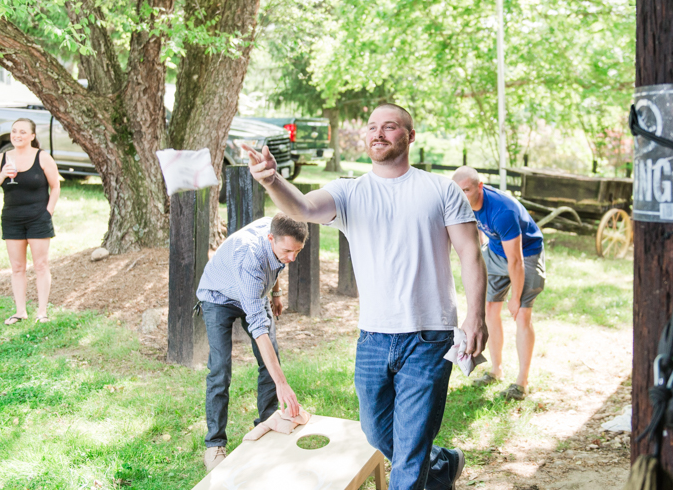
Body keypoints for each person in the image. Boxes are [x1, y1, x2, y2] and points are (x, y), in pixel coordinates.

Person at [242, 103, 488, 490]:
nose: (379, 133)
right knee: (376, 433)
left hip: (430, 334)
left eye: (390, 127)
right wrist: (272, 180)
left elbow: (470, 253)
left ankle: (425, 465)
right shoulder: (349, 192)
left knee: (407, 456)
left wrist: (476, 316)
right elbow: (302, 207)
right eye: (373, 126)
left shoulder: (440, 190)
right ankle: (441, 464)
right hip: (373, 337)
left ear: (409, 135)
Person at [197, 213, 307, 472]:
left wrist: (276, 293)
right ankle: (214, 444)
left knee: (271, 360)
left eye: (298, 251)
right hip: (218, 295)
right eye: (288, 251)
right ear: (271, 238)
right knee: (220, 369)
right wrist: (283, 385)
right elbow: (259, 331)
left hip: (253, 291)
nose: (292, 257)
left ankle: (268, 422)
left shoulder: (279, 233)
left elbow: (275, 263)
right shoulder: (250, 259)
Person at [451, 166, 545, 401]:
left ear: (479, 187)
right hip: (495, 251)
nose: (462, 196)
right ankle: (496, 370)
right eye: (458, 191)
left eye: (467, 190)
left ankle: (521, 383)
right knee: (490, 310)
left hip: (526, 254)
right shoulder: (462, 201)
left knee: (521, 314)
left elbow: (516, 260)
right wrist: (484, 245)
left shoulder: (502, 211)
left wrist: (515, 297)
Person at [0, 118, 60, 325]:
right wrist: (1, 174)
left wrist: (48, 212)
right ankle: (20, 312)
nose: (17, 135)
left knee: (41, 265)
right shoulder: (2, 158)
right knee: (17, 267)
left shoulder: (43, 157)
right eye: (14, 131)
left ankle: (42, 312)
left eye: (23, 132)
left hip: (38, 218)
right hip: (12, 218)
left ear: (32, 136)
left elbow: (55, 186)